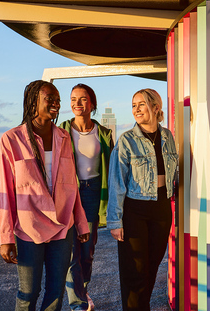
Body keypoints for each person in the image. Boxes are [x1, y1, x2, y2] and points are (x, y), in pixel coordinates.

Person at [0, 80, 90, 311]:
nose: (56, 103)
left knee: (56, 290)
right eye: (50, 98)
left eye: (58, 99)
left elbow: (72, 186)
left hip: (62, 226)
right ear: (33, 102)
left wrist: (81, 223)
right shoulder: (11, 140)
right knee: (28, 292)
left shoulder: (64, 138)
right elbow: (6, 192)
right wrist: (6, 237)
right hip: (29, 228)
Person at [107, 88, 178, 311]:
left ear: (156, 107)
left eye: (142, 104)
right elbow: (117, 182)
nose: (136, 110)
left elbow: (174, 172)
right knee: (134, 270)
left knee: (152, 266)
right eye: (134, 105)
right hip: (135, 209)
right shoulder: (127, 140)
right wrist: (115, 221)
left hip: (161, 208)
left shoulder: (167, 136)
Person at [59, 84, 114, 311]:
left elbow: (111, 167)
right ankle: (78, 303)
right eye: (73, 99)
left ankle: (83, 289)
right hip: (68, 193)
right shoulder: (61, 131)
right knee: (70, 250)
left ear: (92, 103)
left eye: (82, 99)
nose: (77, 104)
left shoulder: (104, 133)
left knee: (87, 250)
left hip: (92, 193)